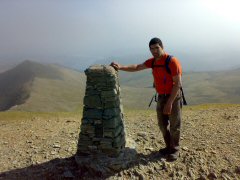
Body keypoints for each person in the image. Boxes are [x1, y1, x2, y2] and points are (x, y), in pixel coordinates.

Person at [110, 37, 183, 161]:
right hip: (161, 96)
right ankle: (168, 147)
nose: (154, 51)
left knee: (175, 125)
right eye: (152, 49)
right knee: (162, 124)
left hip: (173, 97)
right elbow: (137, 67)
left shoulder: (172, 61)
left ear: (162, 47)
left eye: (156, 48)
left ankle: (175, 149)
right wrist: (121, 67)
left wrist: (170, 103)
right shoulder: (153, 62)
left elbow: (178, 84)